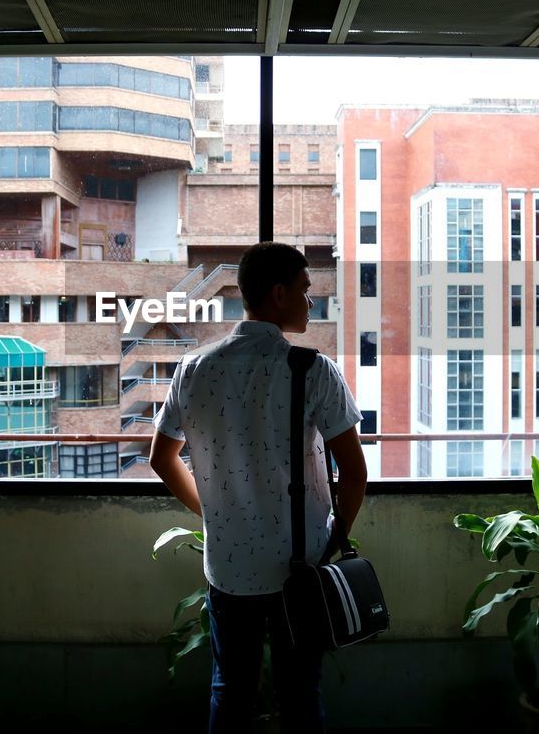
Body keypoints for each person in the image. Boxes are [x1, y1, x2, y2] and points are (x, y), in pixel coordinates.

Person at [150, 242, 367, 734]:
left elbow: (161, 459)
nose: (312, 302)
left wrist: (210, 514)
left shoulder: (193, 368)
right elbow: (354, 474)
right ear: (278, 294)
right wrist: (336, 536)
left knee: (229, 691)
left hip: (230, 568)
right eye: (306, 291)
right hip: (299, 565)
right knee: (300, 696)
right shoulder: (315, 371)